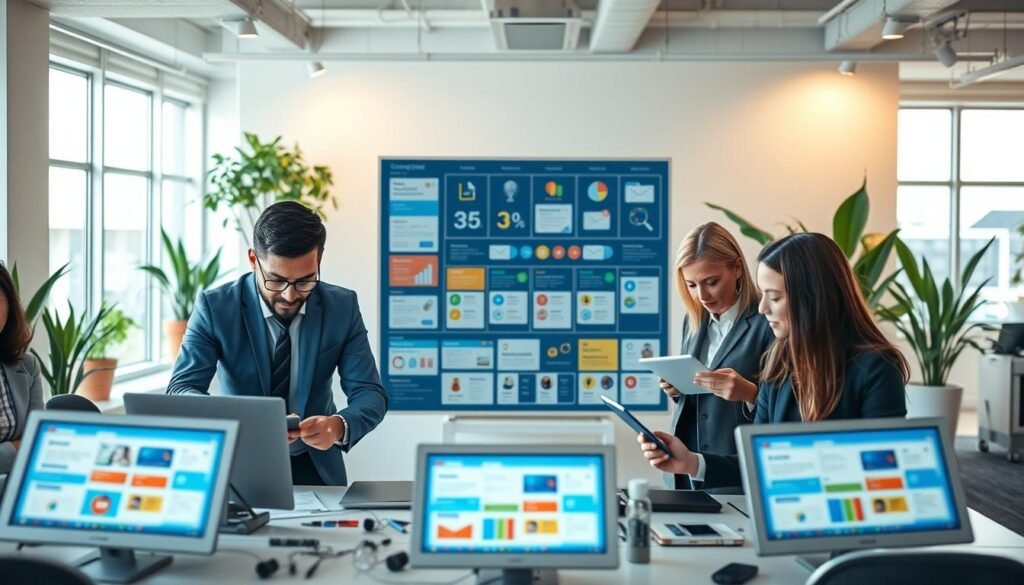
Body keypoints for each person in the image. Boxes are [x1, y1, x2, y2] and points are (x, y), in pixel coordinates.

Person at [641, 233, 908, 489]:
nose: (762, 308)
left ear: (813, 299)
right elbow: (758, 462)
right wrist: (690, 462)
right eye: (763, 294)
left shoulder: (877, 369)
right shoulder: (780, 364)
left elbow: (883, 473)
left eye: (775, 297)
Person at [168, 202, 388, 486]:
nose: (289, 295)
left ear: (319, 261)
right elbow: (180, 389)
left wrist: (338, 425)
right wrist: (236, 420)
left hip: (315, 465)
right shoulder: (216, 307)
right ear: (252, 259)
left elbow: (370, 393)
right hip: (236, 464)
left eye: (305, 281)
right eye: (276, 280)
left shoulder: (341, 307)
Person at [661, 222, 774, 489]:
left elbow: (786, 411)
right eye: (691, 285)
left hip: (736, 473)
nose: (701, 296)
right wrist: (678, 390)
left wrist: (750, 394)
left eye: (711, 282)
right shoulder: (694, 321)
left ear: (736, 268)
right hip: (686, 475)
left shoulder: (767, 322)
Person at [0, 263, 44, 475]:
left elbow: (38, 442)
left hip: (17, 489)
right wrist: (15, 447)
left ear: (9, 305)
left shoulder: (27, 366)